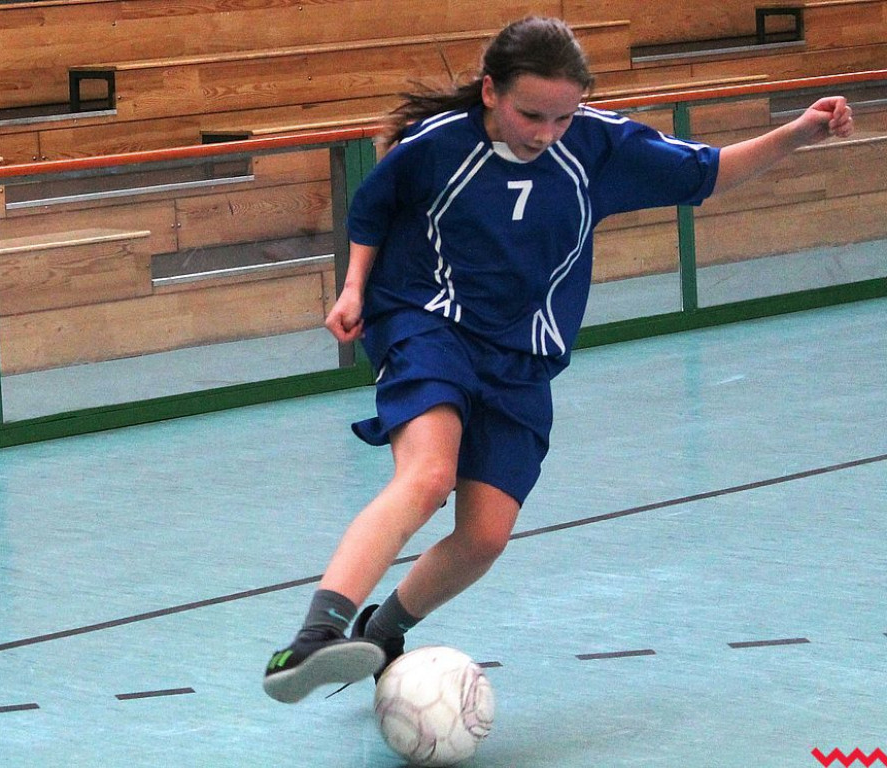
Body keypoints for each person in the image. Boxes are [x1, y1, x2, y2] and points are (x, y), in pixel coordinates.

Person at [262, 16, 854, 704]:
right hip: (428, 325)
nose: (546, 133)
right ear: (490, 91)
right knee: (427, 475)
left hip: (524, 355)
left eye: (563, 118)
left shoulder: (600, 148)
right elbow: (373, 207)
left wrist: (797, 133)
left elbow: (708, 173)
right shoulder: (436, 147)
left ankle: (383, 632)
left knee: (484, 537)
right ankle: (312, 637)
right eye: (531, 114)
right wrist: (356, 285)